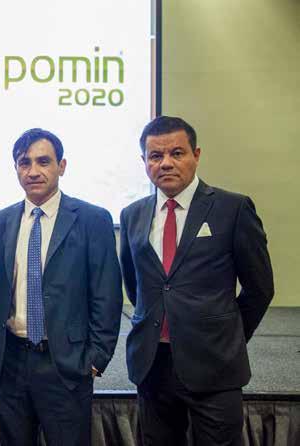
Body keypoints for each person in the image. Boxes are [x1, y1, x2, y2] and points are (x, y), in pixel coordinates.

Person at [120, 116, 274, 445]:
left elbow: (260, 288)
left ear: (196, 155)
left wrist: (227, 335)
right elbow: (137, 286)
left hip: (215, 366)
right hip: (152, 365)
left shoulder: (232, 208)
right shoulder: (132, 215)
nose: (166, 163)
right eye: (155, 156)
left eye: (177, 153)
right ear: (144, 161)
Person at [0, 128, 123, 446]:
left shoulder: (92, 219)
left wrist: (95, 359)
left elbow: (107, 296)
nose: (33, 171)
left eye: (43, 161)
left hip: (66, 365)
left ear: (61, 166)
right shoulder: (2, 220)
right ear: (16, 168)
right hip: (11, 362)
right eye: (24, 162)